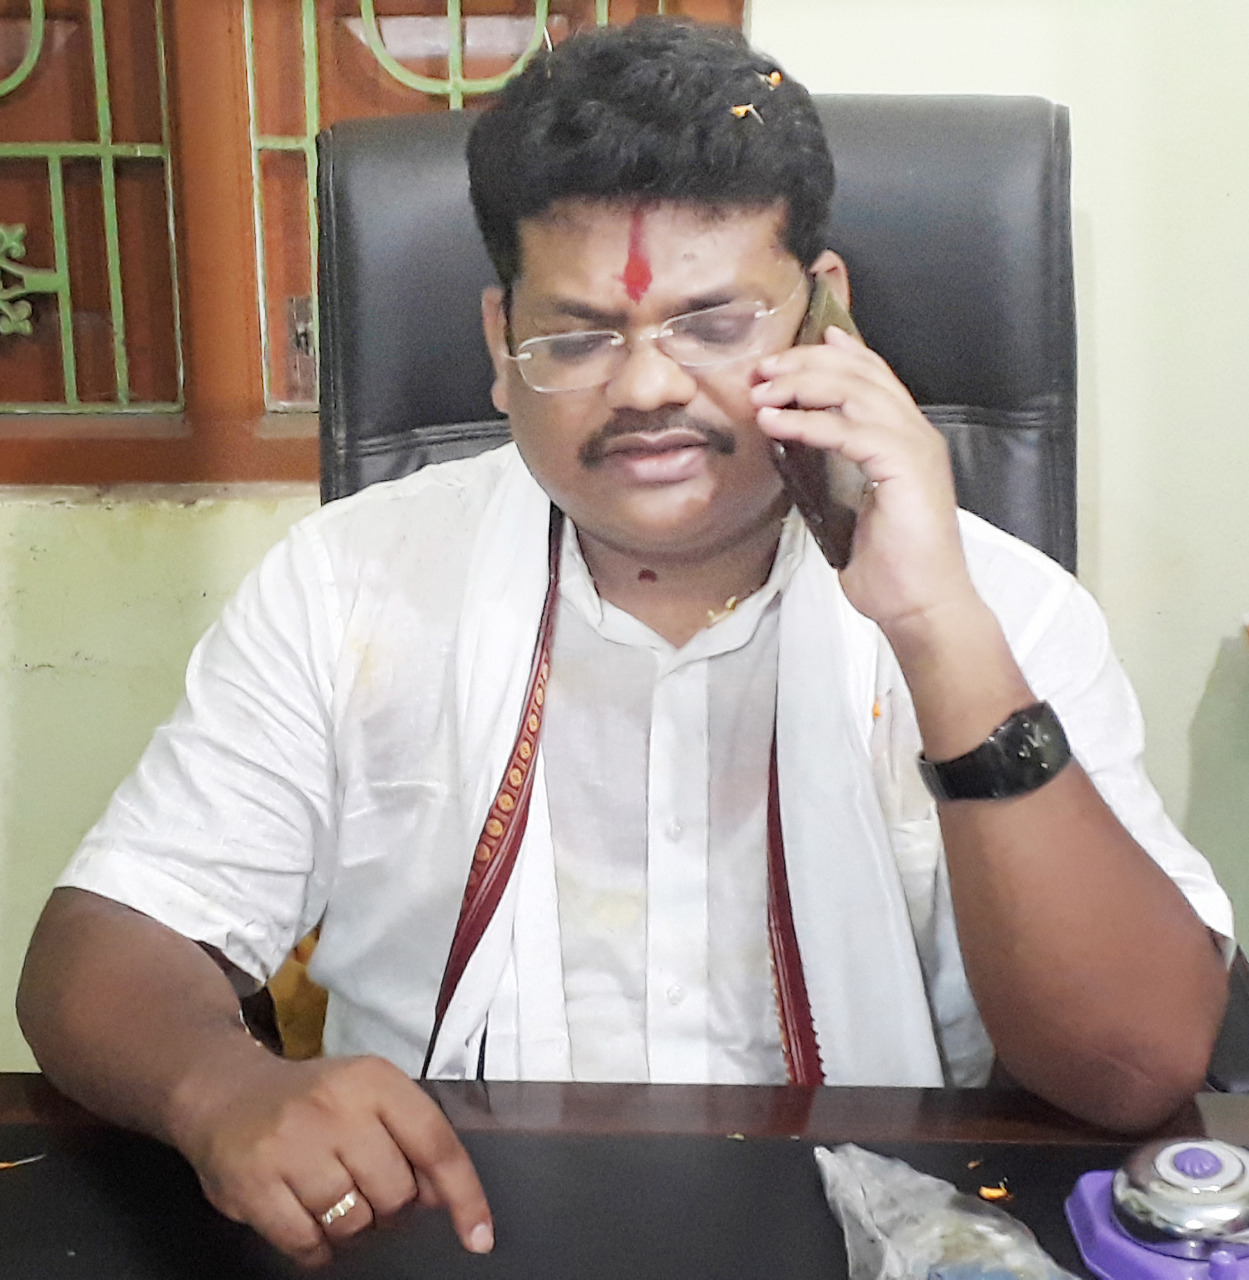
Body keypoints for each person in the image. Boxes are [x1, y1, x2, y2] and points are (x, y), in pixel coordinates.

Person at [16, 17, 1232, 1271]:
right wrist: (222, 1086)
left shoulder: (998, 603)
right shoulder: (353, 582)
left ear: (825, 315)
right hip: (446, 1228)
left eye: (715, 323)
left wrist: (937, 630)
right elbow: (100, 953)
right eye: (580, 335)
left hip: (892, 1230)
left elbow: (1133, 1064)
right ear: (500, 344)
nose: (648, 387)